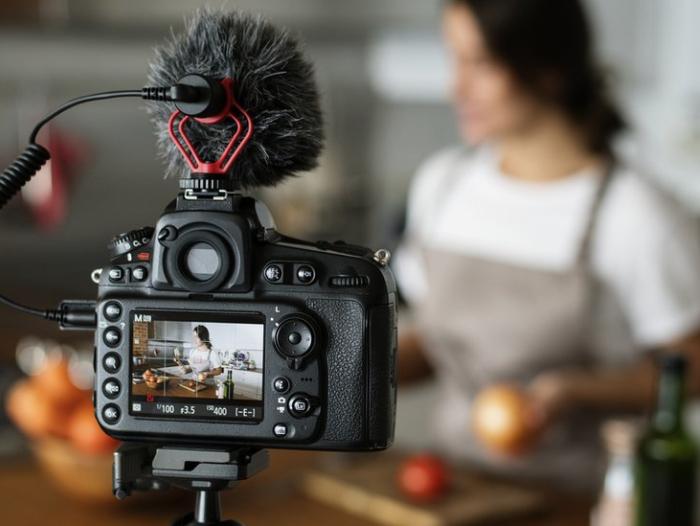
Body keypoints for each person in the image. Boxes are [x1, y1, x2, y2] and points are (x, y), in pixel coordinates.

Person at [395, 0, 700, 490]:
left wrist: (578, 392)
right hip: (453, 486)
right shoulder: (443, 183)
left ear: (549, 69)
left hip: (576, 500)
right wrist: (351, 363)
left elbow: (691, 369)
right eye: (454, 59)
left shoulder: (636, 216)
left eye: (480, 63)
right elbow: (435, 343)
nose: (456, 86)